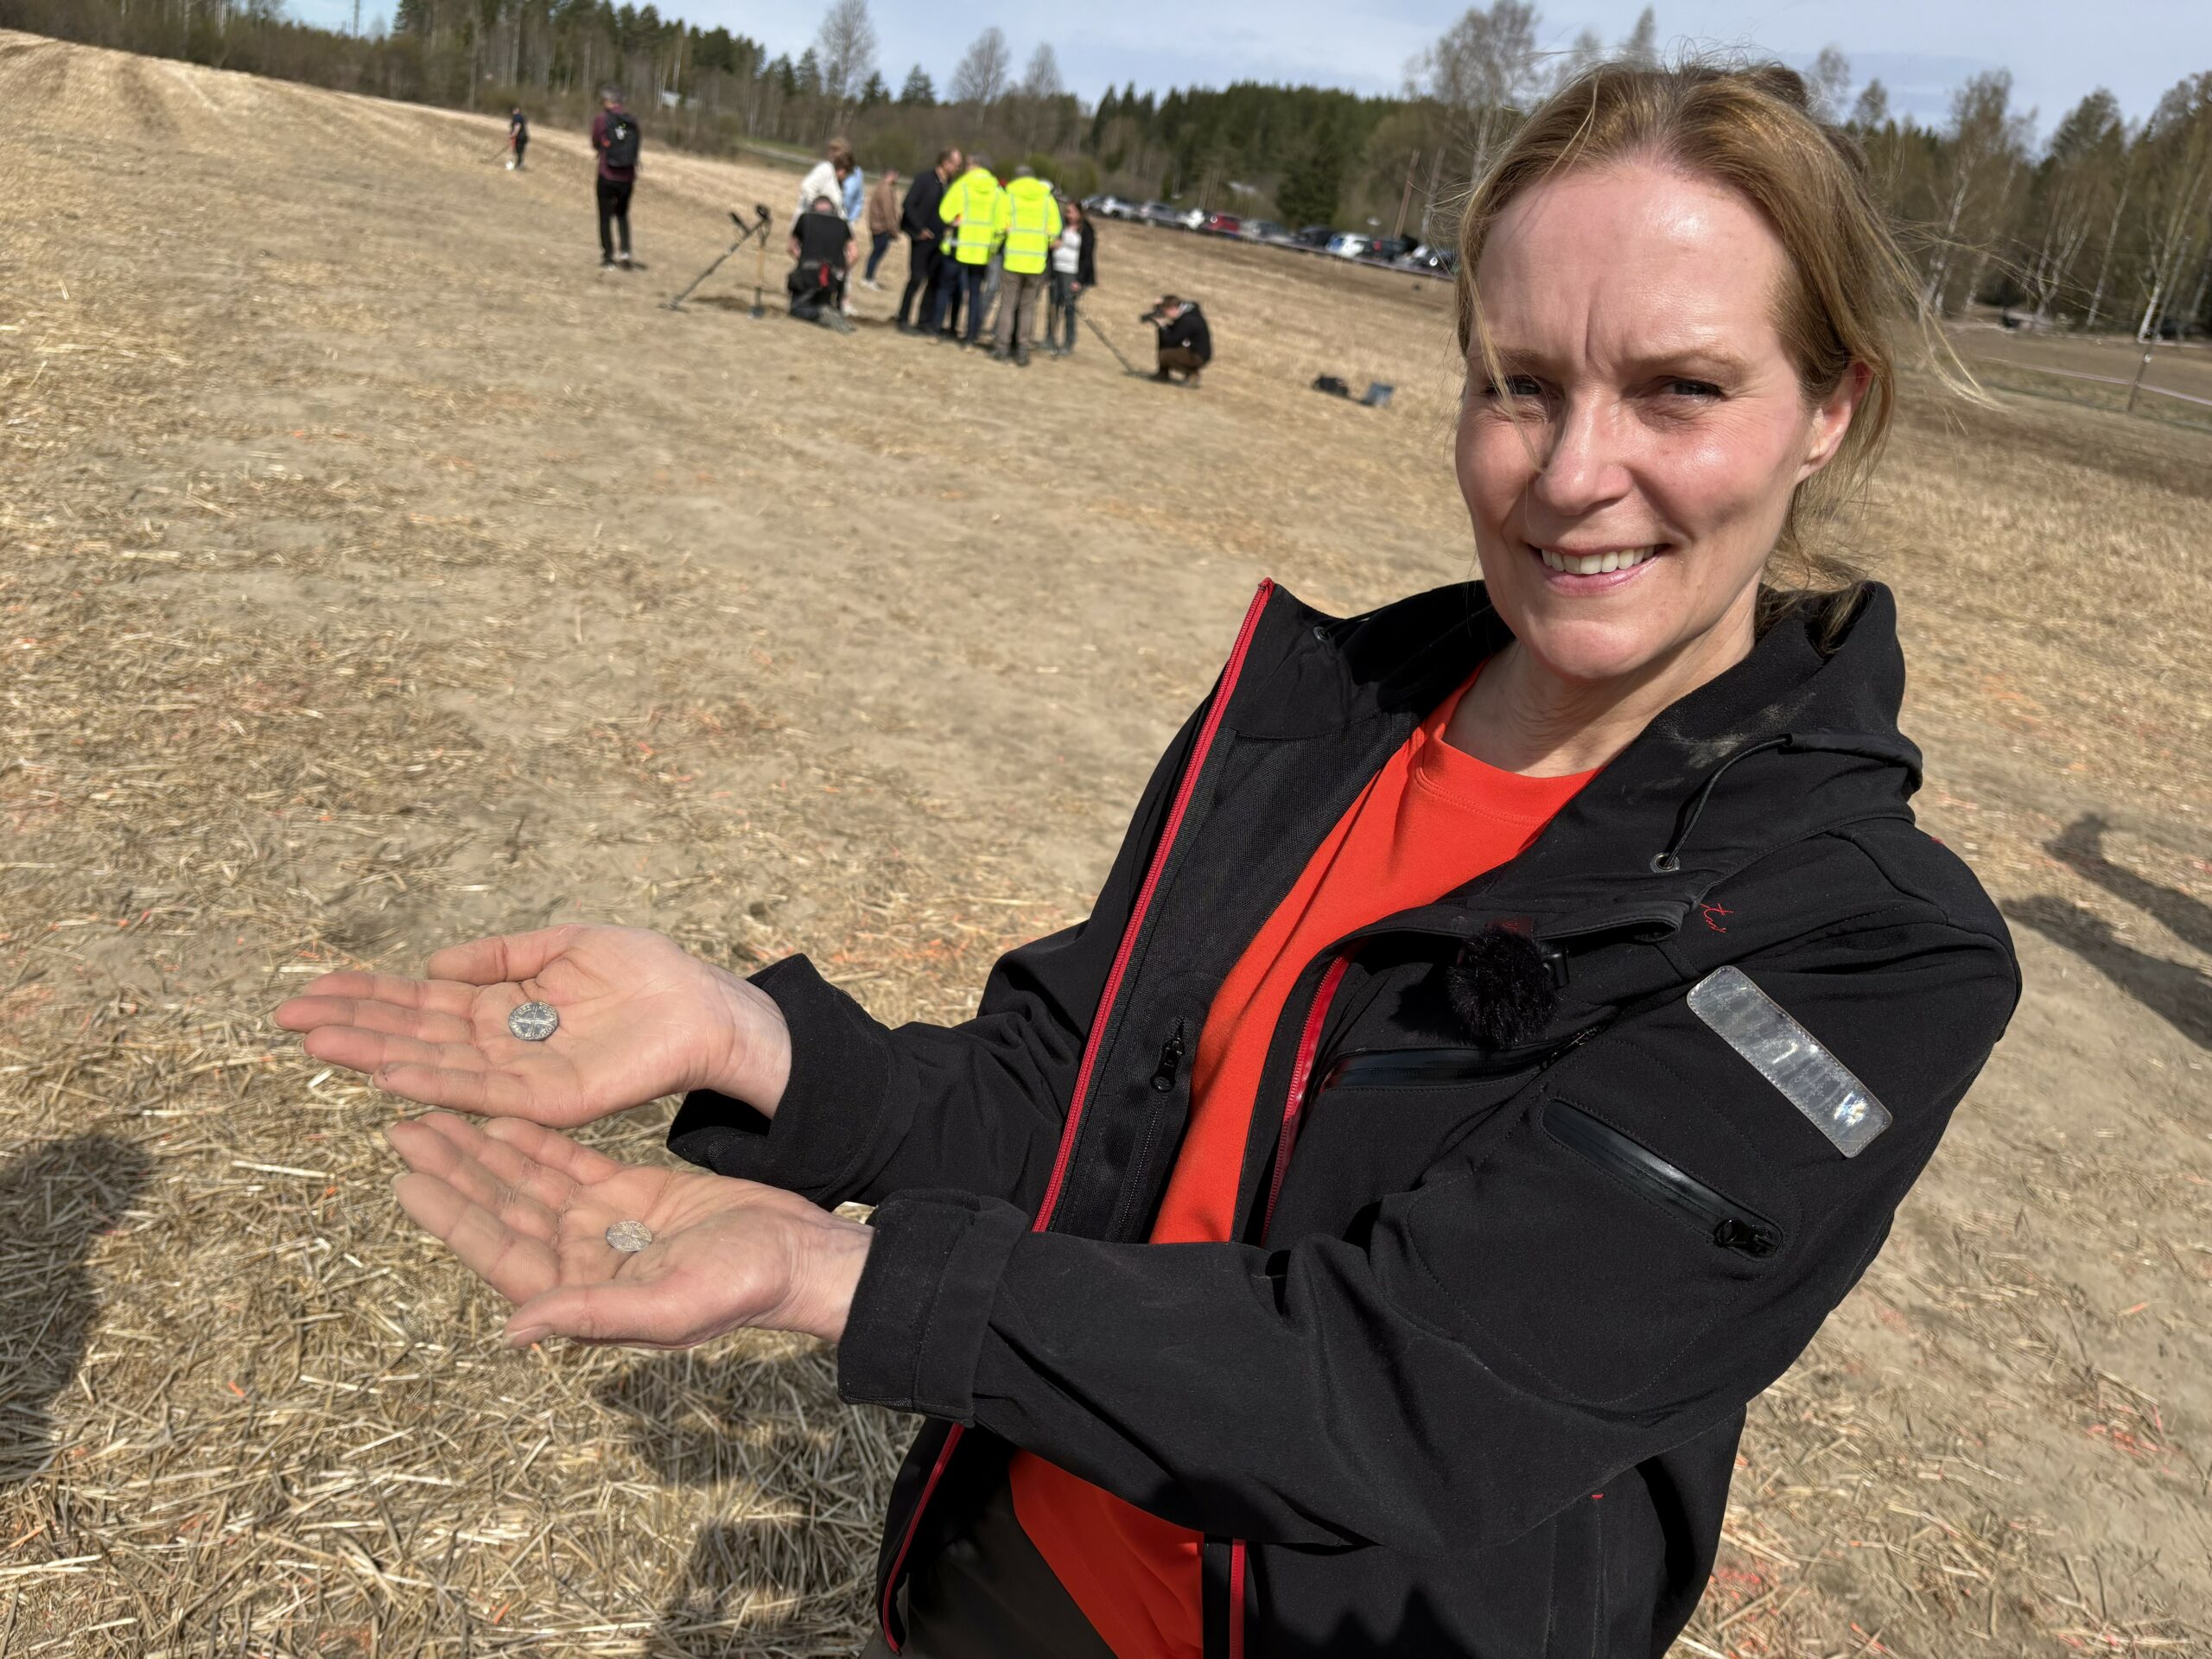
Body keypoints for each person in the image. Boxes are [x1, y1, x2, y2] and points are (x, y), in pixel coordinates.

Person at [279, 59, 2019, 1659]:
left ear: (1825, 411)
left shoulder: (1861, 947)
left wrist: (834, 1271)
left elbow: (1415, 1382)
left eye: (1678, 389)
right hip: (1015, 1578)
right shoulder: (1319, 717)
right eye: (1518, 386)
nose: (1573, 473)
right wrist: (752, 1040)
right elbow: (1081, 1094)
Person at [990, 166, 1063, 366]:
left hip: (1012, 260)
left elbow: (998, 226)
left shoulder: (1009, 196)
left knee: (1007, 306)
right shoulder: (1047, 199)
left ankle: (1002, 347)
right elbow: (1055, 229)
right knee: (1027, 308)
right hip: (1036, 262)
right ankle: (1022, 349)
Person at [932, 153, 1001, 346]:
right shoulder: (996, 191)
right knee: (975, 295)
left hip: (957, 247)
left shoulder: (962, 185)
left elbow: (945, 212)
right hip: (981, 253)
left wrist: (955, 221)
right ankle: (970, 338)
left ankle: (936, 330)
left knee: (945, 290)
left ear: (975, 166)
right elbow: (1002, 223)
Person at [899, 149, 960, 334]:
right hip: (921, 238)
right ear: (945, 162)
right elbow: (908, 204)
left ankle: (924, 321)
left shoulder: (950, 184)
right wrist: (919, 229)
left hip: (940, 240)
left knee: (934, 281)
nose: (957, 169)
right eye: (956, 165)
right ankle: (903, 318)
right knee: (917, 278)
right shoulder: (925, 179)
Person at [786, 194, 857, 331]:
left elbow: (791, 247)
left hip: (808, 276)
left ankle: (819, 313)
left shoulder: (805, 219)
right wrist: (841, 270)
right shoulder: (843, 224)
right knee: (823, 303)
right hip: (833, 278)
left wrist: (804, 259)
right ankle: (828, 311)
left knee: (796, 309)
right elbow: (854, 254)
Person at [589, 87, 640, 270]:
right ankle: (625, 251)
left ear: (607, 102)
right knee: (622, 215)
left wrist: (603, 147)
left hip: (607, 173)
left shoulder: (602, 119)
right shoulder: (629, 121)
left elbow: (595, 141)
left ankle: (608, 257)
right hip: (627, 177)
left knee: (604, 216)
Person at [1046, 198, 1096, 357]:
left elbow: (1087, 257)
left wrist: (1079, 280)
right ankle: (1049, 339)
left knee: (1069, 307)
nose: (1068, 214)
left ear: (1079, 213)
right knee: (1053, 305)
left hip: (1073, 273)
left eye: (1071, 211)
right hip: (1057, 270)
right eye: (1066, 211)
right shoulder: (1061, 226)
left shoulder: (1086, 230)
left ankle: (1068, 341)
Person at [1144, 292, 1211, 385]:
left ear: (1173, 309)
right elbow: (1187, 303)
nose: (1164, 314)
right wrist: (1163, 299)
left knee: (1165, 355)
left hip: (1197, 355)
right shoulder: (1187, 309)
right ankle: (1163, 373)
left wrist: (1162, 326)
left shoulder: (1187, 321)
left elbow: (1170, 341)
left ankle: (1192, 374)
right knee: (1166, 337)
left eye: (1165, 311)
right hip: (1192, 349)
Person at [797, 138, 855, 226]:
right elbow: (807, 187)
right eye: (844, 169)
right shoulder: (826, 170)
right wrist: (819, 212)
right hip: (811, 227)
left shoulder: (837, 183)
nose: (845, 174)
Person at [862, 168, 901, 290]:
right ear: (891, 175)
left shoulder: (880, 187)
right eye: (896, 175)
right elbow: (888, 212)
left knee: (876, 252)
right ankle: (868, 278)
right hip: (882, 228)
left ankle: (868, 277)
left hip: (877, 226)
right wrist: (893, 230)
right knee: (877, 253)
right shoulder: (885, 190)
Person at [505, 106, 529, 170]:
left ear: (515, 111)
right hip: (523, 137)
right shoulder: (521, 117)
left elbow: (517, 126)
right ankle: (519, 165)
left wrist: (513, 135)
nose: (513, 112)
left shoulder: (517, 117)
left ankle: (518, 165)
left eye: (514, 111)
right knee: (519, 152)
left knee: (518, 152)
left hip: (520, 137)